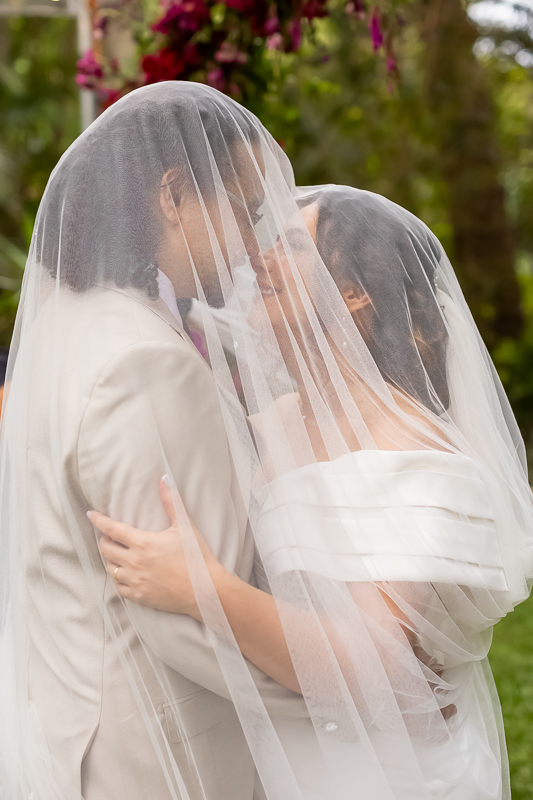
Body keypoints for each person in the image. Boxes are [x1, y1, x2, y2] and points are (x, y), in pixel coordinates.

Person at [1, 82, 532, 800]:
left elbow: (385, 668)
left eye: (283, 241)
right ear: (173, 195)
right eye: (251, 217)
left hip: (376, 767)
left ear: (352, 294)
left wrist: (208, 590)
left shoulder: (417, 454)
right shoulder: (251, 414)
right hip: (278, 749)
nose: (255, 253)